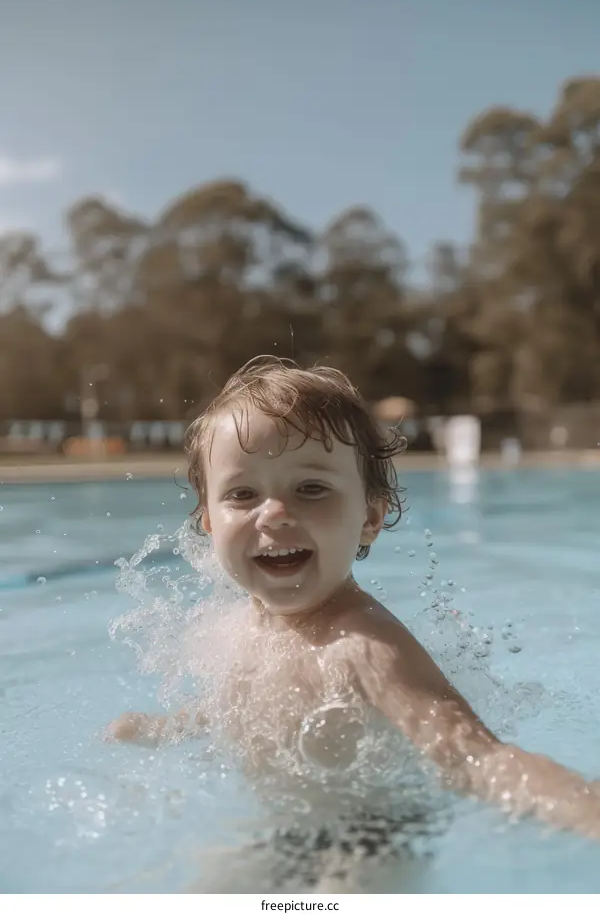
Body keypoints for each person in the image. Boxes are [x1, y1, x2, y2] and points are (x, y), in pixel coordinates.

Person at [107, 356, 600, 890]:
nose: (272, 514)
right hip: (283, 829)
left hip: (376, 835)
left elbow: (474, 758)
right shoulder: (228, 627)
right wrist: (169, 728)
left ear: (369, 518)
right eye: (242, 494)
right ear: (208, 521)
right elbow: (239, 704)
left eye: (312, 489)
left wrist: (584, 811)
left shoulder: (365, 647)